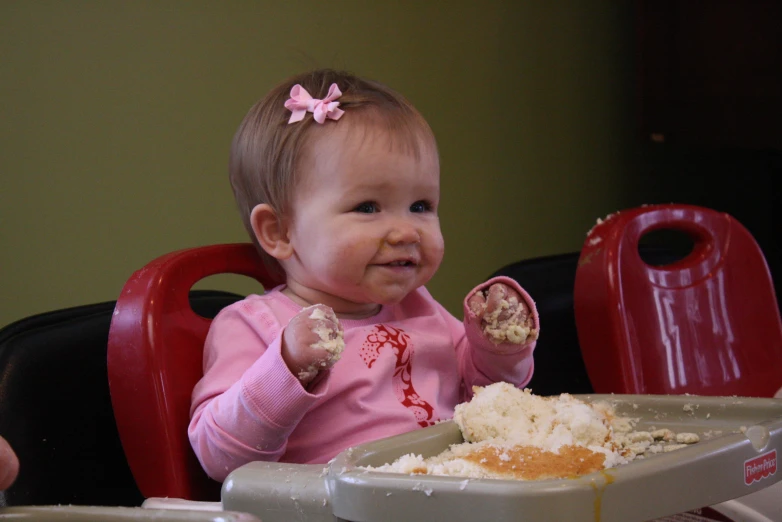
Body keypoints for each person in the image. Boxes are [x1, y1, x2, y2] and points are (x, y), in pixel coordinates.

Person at [188, 69, 540, 481]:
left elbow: (485, 401)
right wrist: (285, 366)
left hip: (446, 493)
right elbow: (219, 458)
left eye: (421, 205)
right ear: (280, 231)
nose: (407, 231)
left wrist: (497, 349)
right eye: (369, 207)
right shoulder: (254, 326)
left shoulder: (418, 307)